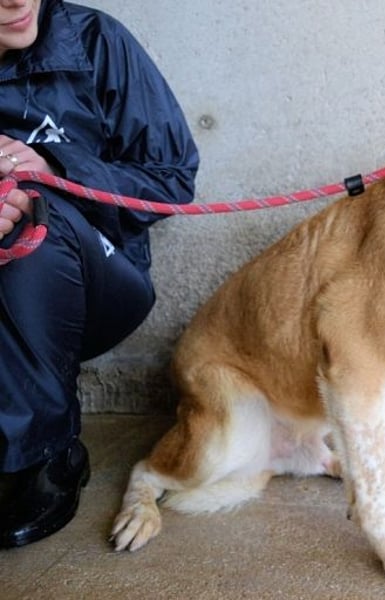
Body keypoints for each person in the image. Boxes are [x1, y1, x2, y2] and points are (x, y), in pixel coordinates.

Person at [0, 0, 199, 548]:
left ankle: (48, 452)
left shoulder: (96, 42)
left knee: (33, 208)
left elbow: (173, 181)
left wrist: (56, 168)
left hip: (99, 286)